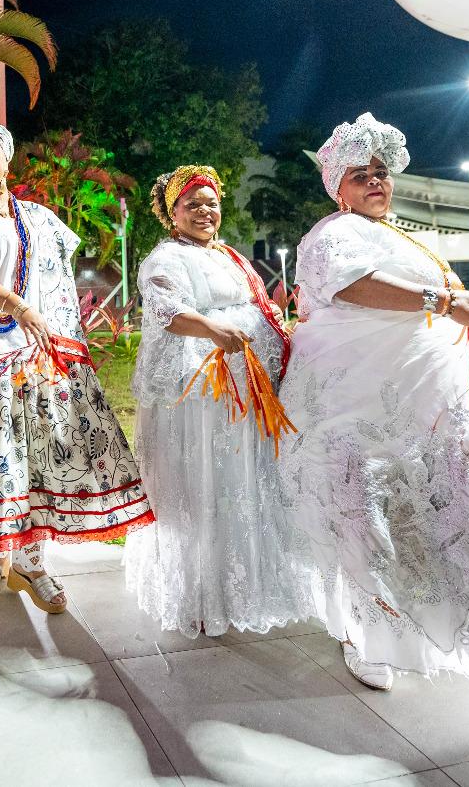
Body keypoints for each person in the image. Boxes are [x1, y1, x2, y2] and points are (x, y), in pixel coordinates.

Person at [278, 113, 469, 691]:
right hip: (356, 399)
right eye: (360, 175)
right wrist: (445, 302)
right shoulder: (332, 233)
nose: (375, 181)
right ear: (338, 189)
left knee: (443, 506)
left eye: (381, 172)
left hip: (425, 400)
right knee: (362, 509)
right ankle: (364, 634)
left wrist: (460, 307)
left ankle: (450, 623)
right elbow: (351, 285)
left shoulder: (398, 235)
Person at [0, 118, 152, 614]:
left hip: (35, 347)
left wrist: (60, 336)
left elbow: (58, 281)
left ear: (7, 157)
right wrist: (19, 308)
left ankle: (32, 562)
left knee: (35, 453)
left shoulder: (39, 218)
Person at [124, 165, 319, 637]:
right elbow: (169, 312)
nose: (204, 212)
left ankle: (245, 587)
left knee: (242, 480)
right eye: (192, 204)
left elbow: (257, 306)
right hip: (201, 393)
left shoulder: (229, 255)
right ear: (172, 213)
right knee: (203, 486)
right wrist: (212, 328)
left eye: (210, 203)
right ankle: (199, 594)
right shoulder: (166, 258)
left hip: (244, 388)